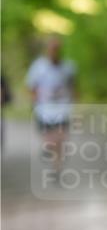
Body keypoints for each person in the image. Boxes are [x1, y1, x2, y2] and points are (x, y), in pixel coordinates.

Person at [26, 34, 77, 180]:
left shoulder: (68, 67)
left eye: (57, 48)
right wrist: (35, 103)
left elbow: (73, 86)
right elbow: (32, 87)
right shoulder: (38, 67)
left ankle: (57, 169)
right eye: (52, 48)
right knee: (51, 139)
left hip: (62, 109)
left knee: (60, 140)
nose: (54, 50)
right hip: (45, 110)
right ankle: (49, 150)